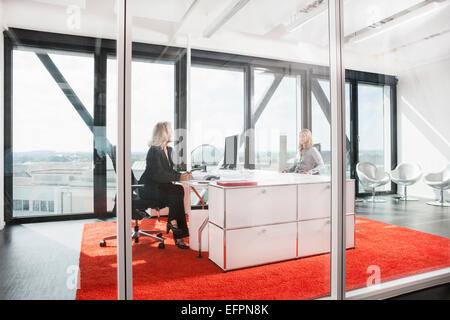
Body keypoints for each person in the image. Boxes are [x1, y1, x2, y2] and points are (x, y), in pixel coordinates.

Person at [138, 122, 192, 249]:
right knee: (177, 191)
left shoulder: (168, 149)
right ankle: (177, 233)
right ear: (164, 133)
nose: (172, 133)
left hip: (161, 187)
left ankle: (174, 225)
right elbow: (158, 174)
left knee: (177, 190)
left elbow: (169, 172)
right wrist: (179, 177)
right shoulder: (154, 151)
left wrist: (182, 175)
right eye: (170, 130)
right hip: (149, 188)